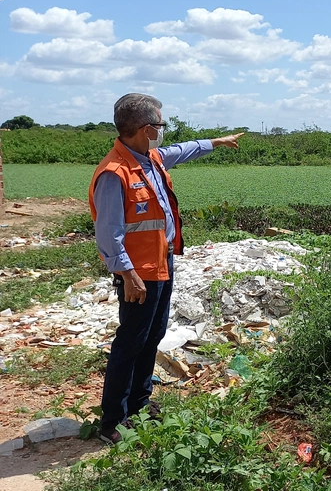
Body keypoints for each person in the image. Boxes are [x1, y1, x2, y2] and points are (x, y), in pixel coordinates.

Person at [89, 93, 243, 444]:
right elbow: (109, 233)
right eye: (160, 125)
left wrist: (215, 142)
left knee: (151, 337)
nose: (163, 132)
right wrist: (127, 275)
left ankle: (140, 405)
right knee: (130, 342)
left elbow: (183, 150)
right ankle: (113, 419)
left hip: (160, 265)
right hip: (137, 274)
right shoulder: (115, 173)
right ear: (146, 129)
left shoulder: (150, 158)